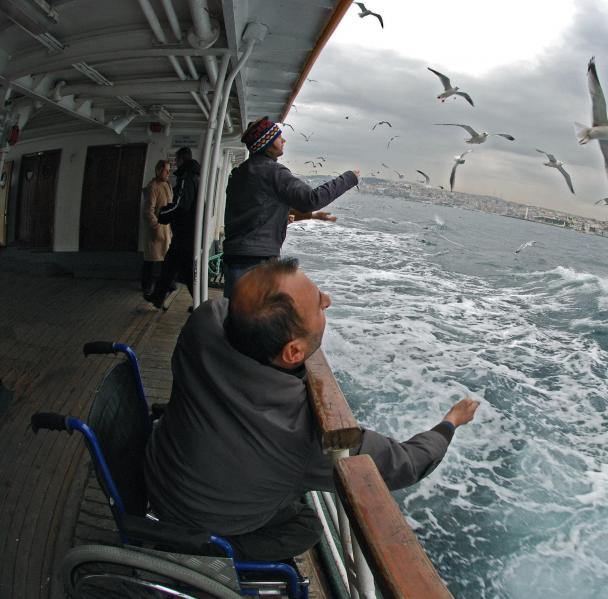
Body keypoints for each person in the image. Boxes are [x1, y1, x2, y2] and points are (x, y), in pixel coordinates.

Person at [143, 258, 479, 563]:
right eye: (319, 305)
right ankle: (204, 557)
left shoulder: (203, 324)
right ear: (293, 353)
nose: (328, 301)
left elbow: (232, 308)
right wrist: (450, 423)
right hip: (205, 527)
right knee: (306, 525)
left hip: (158, 478)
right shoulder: (310, 432)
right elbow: (406, 464)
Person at [222, 117, 359, 298]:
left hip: (233, 256)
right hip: (257, 261)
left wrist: (310, 216)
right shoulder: (273, 172)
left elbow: (258, 210)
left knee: (234, 314)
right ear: (267, 144)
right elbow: (311, 199)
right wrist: (349, 178)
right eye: (279, 137)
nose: (284, 140)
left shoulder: (239, 173)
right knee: (255, 320)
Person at [147, 147, 200, 309]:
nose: (174, 167)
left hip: (185, 234)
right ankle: (158, 297)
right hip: (188, 233)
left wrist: (163, 214)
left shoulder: (186, 177)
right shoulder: (195, 177)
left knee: (184, 271)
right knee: (171, 266)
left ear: (181, 160)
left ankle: (199, 303)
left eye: (176, 162)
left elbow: (180, 205)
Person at [141, 160, 172, 298]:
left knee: (162, 260)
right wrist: (156, 226)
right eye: (166, 170)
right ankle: (147, 288)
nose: (168, 173)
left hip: (166, 230)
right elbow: (148, 211)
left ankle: (160, 287)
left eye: (169, 170)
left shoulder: (167, 185)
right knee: (151, 261)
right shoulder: (152, 187)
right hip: (156, 231)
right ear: (158, 170)